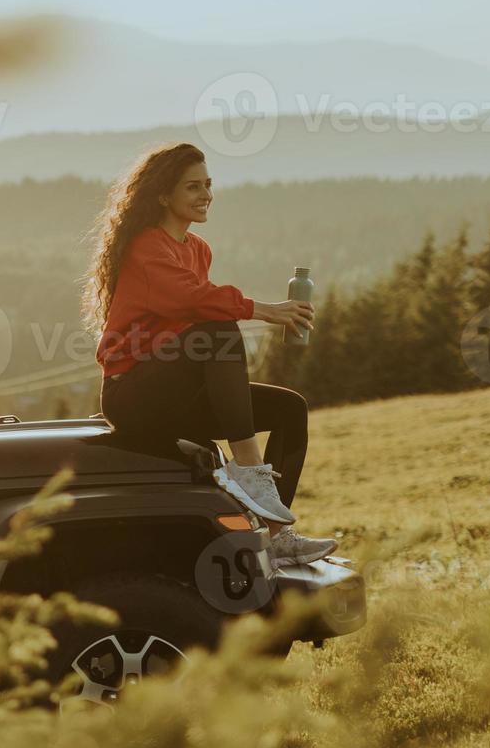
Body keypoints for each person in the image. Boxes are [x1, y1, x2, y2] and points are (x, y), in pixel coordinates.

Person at [82, 143, 338, 566]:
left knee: (290, 410)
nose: (205, 195)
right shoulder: (147, 246)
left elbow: (189, 315)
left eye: (208, 185)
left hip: (176, 393)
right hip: (134, 394)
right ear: (163, 195)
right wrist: (266, 311)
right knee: (218, 328)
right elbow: (192, 299)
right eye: (192, 187)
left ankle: (276, 535)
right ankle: (251, 474)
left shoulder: (197, 249)